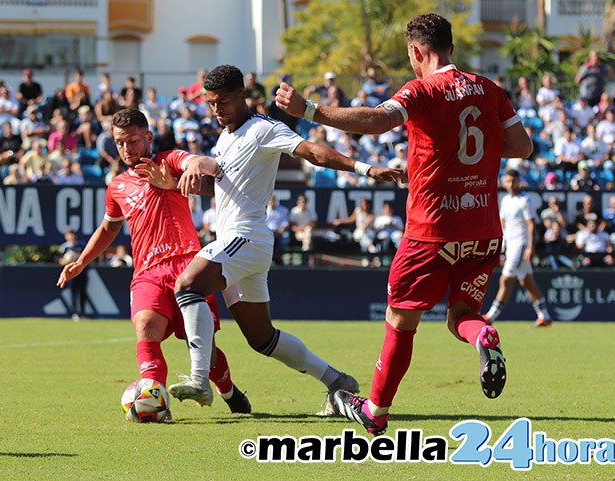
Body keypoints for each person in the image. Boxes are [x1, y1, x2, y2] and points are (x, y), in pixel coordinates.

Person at [275, 13, 532, 435]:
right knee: (463, 314)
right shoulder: (491, 90)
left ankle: (375, 409)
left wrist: (311, 110)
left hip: (431, 230)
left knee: (400, 319)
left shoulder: (422, 90)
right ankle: (483, 338)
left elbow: (377, 122)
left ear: (416, 51)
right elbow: (523, 147)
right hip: (484, 229)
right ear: (452, 47)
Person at [144, 65, 403, 414]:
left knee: (187, 284)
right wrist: (173, 184)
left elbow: (313, 151)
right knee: (262, 339)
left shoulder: (264, 129)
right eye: (210, 104)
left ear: (242, 96)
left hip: (246, 236)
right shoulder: (224, 138)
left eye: (222, 102)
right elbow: (215, 187)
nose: (216, 110)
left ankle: (198, 380)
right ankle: (337, 381)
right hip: (243, 244)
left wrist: (366, 169)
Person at [56, 108, 251, 415]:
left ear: (147, 137)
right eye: (120, 143)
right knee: (146, 326)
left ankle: (227, 390)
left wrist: (191, 169)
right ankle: (154, 396)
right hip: (147, 271)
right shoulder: (117, 186)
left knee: (204, 350)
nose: (126, 149)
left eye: (132, 141)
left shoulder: (169, 161)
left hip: (189, 266)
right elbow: (109, 228)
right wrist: (82, 261)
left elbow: (198, 163)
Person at [484, 170, 552, 327]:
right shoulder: (506, 200)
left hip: (521, 244)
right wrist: (502, 243)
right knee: (527, 281)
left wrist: (530, 246)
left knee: (505, 279)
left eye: (513, 181)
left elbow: (531, 224)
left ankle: (491, 316)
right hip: (510, 245)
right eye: (507, 181)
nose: (510, 184)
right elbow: (503, 224)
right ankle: (544, 316)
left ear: (518, 181)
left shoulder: (525, 200)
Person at [59, 229, 88, 321]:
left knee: (83, 293)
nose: (71, 237)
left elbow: (87, 257)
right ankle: (74, 313)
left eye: (73, 235)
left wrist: (77, 256)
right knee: (73, 293)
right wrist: (67, 260)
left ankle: (83, 313)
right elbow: (61, 261)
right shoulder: (64, 247)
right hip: (71, 274)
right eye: (69, 235)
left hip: (82, 272)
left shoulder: (81, 245)